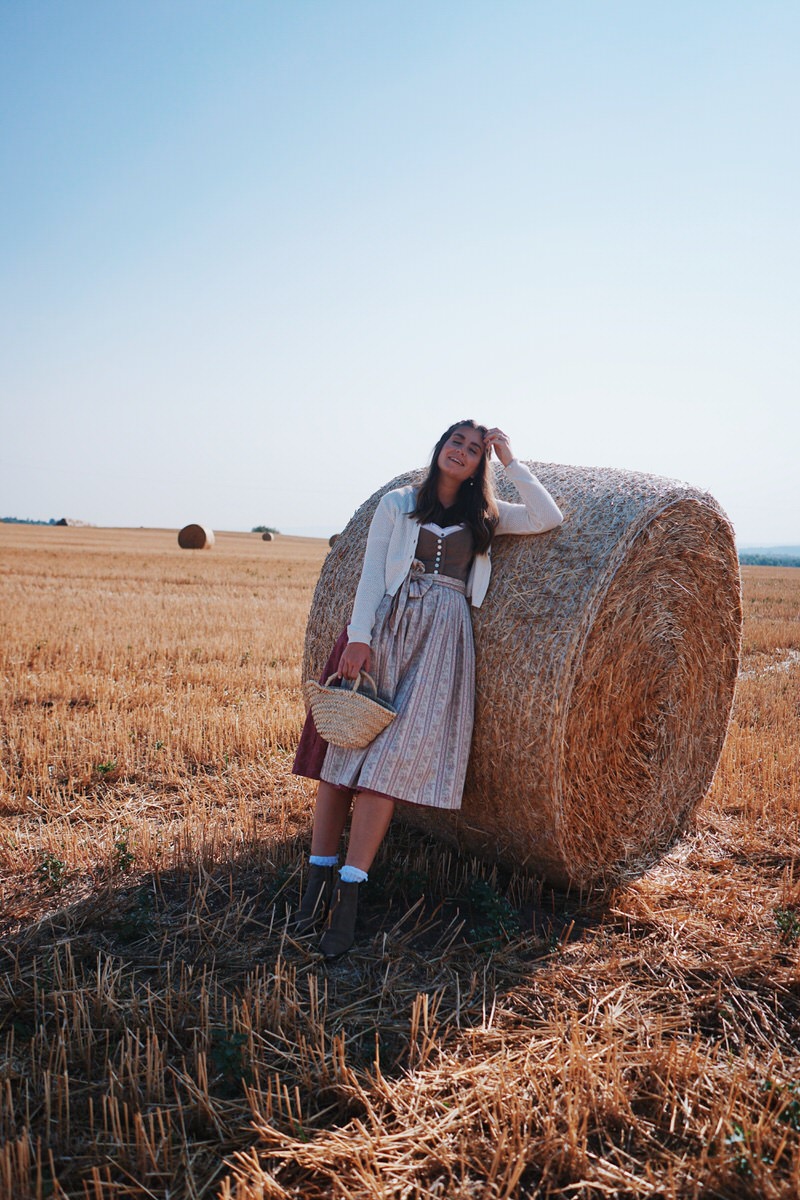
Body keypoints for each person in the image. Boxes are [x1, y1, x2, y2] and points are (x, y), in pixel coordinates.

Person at [291, 421, 564, 956]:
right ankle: (313, 889)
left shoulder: (487, 514)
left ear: (478, 462)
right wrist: (359, 637)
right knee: (341, 761)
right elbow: (372, 575)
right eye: (454, 442)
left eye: (472, 448)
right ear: (439, 449)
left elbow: (547, 517)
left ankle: (348, 902)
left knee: (387, 771)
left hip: (442, 639)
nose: (461, 452)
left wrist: (509, 457)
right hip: (387, 629)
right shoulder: (397, 504)